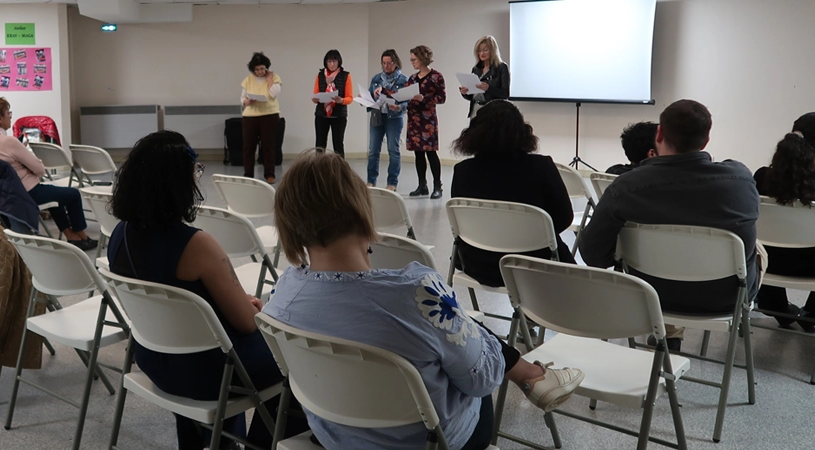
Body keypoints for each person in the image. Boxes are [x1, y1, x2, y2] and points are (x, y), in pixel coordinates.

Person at [265, 148, 583, 450]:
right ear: (360, 207)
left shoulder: (281, 296)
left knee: (444, 327)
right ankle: (532, 374)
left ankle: (524, 370)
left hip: (336, 436)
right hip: (432, 441)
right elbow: (481, 382)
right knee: (454, 332)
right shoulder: (417, 290)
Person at [107, 130, 308, 450]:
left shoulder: (119, 234)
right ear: (177, 185)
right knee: (300, 359)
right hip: (207, 374)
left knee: (214, 344)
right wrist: (254, 308)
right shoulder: (197, 245)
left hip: (154, 356)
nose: (197, 179)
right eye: (195, 171)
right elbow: (245, 323)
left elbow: (174, 293)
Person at [580, 100, 760, 349]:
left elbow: (593, 255)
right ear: (706, 140)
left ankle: (669, 333)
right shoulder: (740, 179)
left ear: (660, 134)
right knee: (755, 248)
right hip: (725, 298)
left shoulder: (626, 187)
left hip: (649, 296)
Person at [449, 100, 576, 287]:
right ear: (522, 131)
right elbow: (564, 218)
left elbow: (461, 224)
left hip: (479, 265)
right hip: (535, 265)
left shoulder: (463, 171)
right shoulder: (542, 167)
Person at [0, 97, 96, 250]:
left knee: (53, 194)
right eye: (7, 113)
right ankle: (82, 235)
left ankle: (71, 235)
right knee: (73, 194)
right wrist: (27, 168)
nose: (10, 116)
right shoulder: (8, 142)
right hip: (25, 193)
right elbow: (39, 169)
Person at [752, 112, 815, 332]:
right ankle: (812, 314)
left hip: (765, 264)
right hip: (810, 268)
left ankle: (774, 305)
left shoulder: (760, 178)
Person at [403, 45, 447, 199]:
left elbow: (442, 98)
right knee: (418, 153)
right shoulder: (412, 78)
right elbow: (406, 95)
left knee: (431, 152)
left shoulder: (436, 76)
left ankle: (437, 186)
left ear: (423, 58)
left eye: (414, 59)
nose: (412, 62)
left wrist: (425, 98)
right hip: (414, 119)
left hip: (428, 119)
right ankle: (422, 185)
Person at [366, 49, 409, 191]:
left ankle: (392, 182)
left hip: (394, 118)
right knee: (373, 150)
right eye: (383, 63)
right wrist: (373, 95)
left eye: (389, 63)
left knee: (393, 150)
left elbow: (408, 102)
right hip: (377, 116)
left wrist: (399, 107)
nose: (386, 66)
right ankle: (371, 180)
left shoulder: (404, 80)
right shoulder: (376, 79)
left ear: (396, 63)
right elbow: (368, 99)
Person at [240, 52, 282, 184]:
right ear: (253, 69)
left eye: (262, 68)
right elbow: (242, 98)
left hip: (269, 115)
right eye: (257, 69)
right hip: (250, 116)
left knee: (268, 146)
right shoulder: (248, 79)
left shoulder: (274, 77)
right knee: (248, 146)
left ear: (267, 67)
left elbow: (274, 94)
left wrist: (269, 79)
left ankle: (270, 174)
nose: (260, 72)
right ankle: (248, 174)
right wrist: (246, 102)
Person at [311, 50, 353, 157]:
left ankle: (340, 171)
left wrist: (341, 100)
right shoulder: (320, 75)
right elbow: (315, 94)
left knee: (338, 144)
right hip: (322, 114)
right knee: (320, 144)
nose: (332, 64)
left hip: (338, 115)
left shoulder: (345, 76)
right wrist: (315, 99)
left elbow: (350, 98)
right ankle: (318, 169)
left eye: (334, 61)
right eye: (329, 61)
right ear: (325, 62)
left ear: (339, 62)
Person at [458, 36, 510, 119]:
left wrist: (488, 88)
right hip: (476, 110)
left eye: (485, 50)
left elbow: (505, 94)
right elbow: (473, 96)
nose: (482, 53)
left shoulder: (501, 67)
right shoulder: (476, 69)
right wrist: (465, 92)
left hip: (494, 112)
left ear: (493, 51)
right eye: (479, 51)